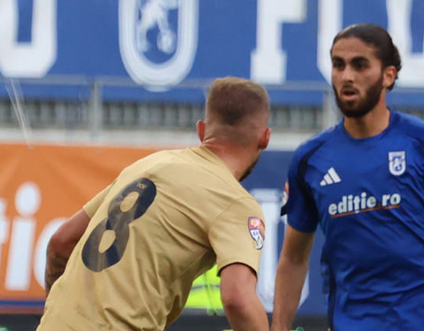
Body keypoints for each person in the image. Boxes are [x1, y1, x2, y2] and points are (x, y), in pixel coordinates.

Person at [271, 23, 424, 331]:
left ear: (388, 75)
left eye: (360, 65)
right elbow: (293, 259)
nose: (346, 76)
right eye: (338, 65)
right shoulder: (310, 159)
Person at [37, 77, 272, 331]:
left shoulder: (149, 164)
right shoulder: (236, 203)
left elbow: (61, 242)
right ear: (264, 138)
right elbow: (238, 298)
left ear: (202, 130)